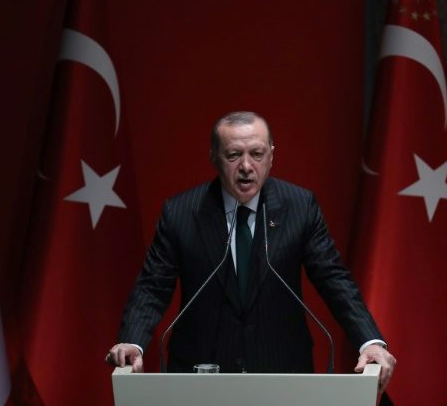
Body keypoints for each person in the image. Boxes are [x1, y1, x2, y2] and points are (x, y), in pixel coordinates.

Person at [106, 111, 396, 392]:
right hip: (202, 377)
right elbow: (153, 286)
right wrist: (133, 341)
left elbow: (333, 279)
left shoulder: (299, 206)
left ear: (271, 156)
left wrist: (369, 341)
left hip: (281, 374)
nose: (246, 166)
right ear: (214, 157)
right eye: (234, 155)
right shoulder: (181, 213)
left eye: (257, 154)